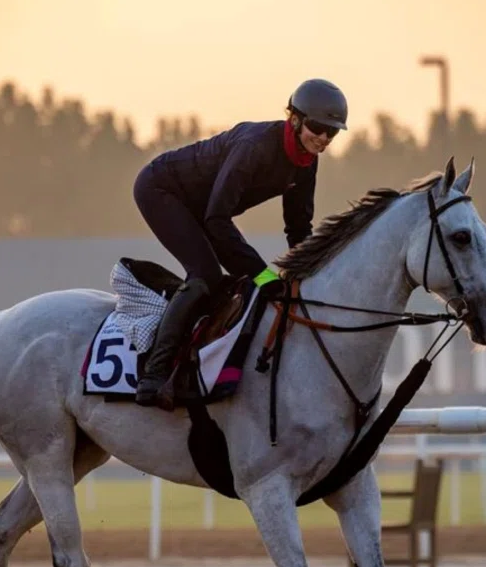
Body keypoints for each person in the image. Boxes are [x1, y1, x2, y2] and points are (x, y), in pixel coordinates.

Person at [132, 78, 348, 409]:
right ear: (295, 118)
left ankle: (192, 367)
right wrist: (264, 276)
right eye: (317, 127)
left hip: (204, 210)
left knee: (232, 285)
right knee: (205, 275)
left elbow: (298, 228)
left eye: (331, 133)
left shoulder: (306, 162)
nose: (322, 138)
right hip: (162, 190)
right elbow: (216, 221)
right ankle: (154, 375)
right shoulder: (256, 146)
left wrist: (310, 276)